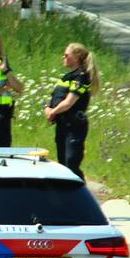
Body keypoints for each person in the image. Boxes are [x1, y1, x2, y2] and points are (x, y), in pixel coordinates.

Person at [44, 43, 99, 180]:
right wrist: (48, 109)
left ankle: (81, 195)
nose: (64, 57)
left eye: (67, 55)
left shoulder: (81, 77)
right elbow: (55, 98)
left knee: (71, 164)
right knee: (62, 166)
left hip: (74, 127)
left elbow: (69, 102)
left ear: (77, 57)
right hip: (62, 125)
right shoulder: (66, 77)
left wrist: (53, 112)